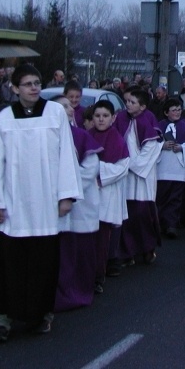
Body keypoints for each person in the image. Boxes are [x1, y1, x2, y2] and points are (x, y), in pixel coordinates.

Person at [0, 65, 81, 342]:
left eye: (37, 82)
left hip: (45, 201)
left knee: (43, 264)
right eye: (27, 84)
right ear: (15, 88)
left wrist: (66, 195)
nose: (34, 88)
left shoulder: (54, 113)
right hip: (14, 202)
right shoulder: (5, 117)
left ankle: (40, 315)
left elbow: (66, 155)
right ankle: (2, 318)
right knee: (8, 263)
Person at [52, 95, 102, 312]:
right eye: (61, 106)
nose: (68, 109)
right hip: (54, 206)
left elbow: (90, 169)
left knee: (80, 254)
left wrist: (65, 188)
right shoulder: (47, 136)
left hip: (80, 204)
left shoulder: (81, 136)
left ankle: (79, 292)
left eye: (68, 106)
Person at [115, 87, 163, 265]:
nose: (128, 104)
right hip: (125, 174)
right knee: (127, 215)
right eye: (127, 101)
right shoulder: (121, 118)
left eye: (132, 102)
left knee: (143, 214)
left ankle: (147, 248)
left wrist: (131, 165)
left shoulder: (147, 119)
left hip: (142, 175)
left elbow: (151, 146)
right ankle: (127, 251)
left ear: (142, 106)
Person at [87, 100, 130, 292]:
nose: (101, 119)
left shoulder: (117, 139)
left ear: (113, 118)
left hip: (106, 193)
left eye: (105, 116)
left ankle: (98, 277)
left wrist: (98, 171)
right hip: (88, 193)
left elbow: (122, 167)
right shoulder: (87, 136)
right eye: (97, 116)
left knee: (102, 240)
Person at [156, 98, 185, 239]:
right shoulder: (158, 127)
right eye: (173, 110)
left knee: (175, 198)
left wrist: (182, 147)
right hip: (162, 167)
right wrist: (162, 146)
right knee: (162, 196)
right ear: (166, 112)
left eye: (179, 109)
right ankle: (160, 224)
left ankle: (171, 225)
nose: (177, 112)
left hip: (178, 168)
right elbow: (150, 145)